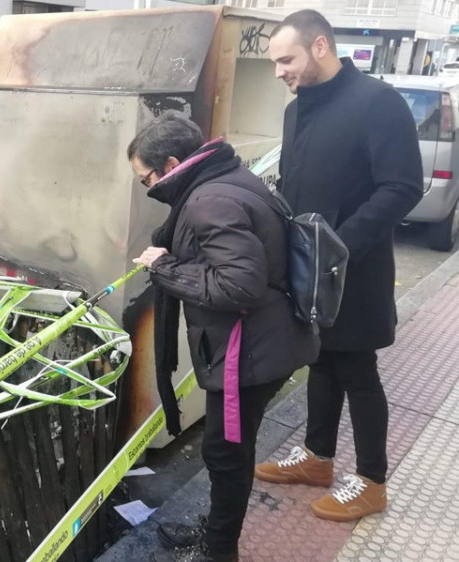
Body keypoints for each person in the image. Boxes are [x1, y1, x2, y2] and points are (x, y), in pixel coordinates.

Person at [255, 10, 423, 522]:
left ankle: (372, 481)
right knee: (321, 361)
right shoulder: (297, 109)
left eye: (286, 59)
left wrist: (337, 245)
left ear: (320, 46)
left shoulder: (377, 103)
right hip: (308, 268)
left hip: (355, 268)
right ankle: (317, 458)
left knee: (357, 369)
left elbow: (402, 187)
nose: (279, 71)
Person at [130, 111, 318, 562]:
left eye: (145, 178)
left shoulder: (207, 201)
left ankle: (220, 550)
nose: (147, 187)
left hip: (247, 351)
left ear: (172, 163)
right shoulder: (229, 175)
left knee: (226, 453)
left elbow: (238, 285)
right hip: (267, 339)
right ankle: (218, 531)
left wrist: (163, 266)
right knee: (229, 448)